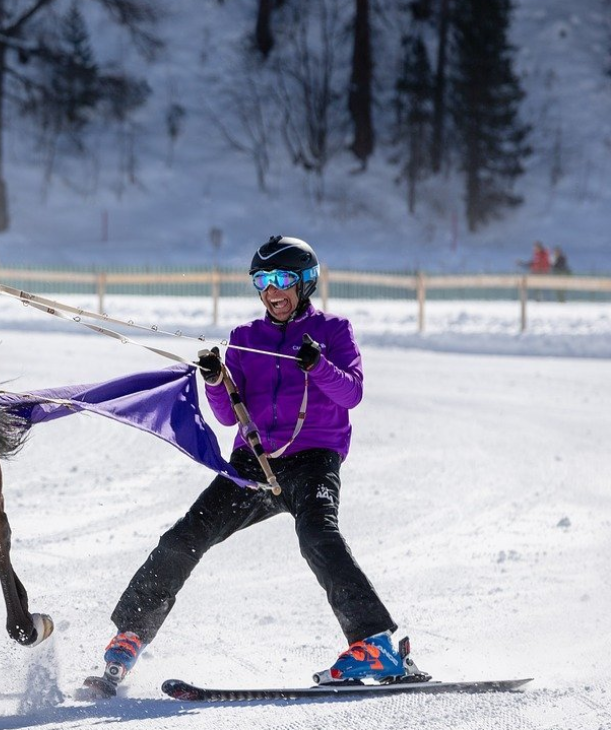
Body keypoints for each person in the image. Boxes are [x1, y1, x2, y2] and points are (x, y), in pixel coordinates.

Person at [82, 235, 421, 699]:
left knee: (319, 537)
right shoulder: (245, 339)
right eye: (262, 280)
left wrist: (318, 365)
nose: (271, 290)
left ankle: (375, 643)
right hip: (253, 463)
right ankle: (130, 636)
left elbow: (352, 394)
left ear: (305, 283)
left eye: (281, 279)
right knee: (184, 538)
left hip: (312, 462)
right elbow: (226, 414)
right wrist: (215, 380)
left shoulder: (334, 330)